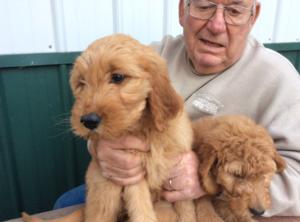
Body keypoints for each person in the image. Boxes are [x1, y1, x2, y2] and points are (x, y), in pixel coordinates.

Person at [55, 0, 300, 220]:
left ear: (253, 16)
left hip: (217, 202)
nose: (216, 25)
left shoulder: (278, 78)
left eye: (234, 11)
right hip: (138, 185)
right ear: (183, 10)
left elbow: (297, 173)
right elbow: (98, 116)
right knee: (64, 204)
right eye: (204, 6)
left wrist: (209, 180)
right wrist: (103, 149)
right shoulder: (152, 55)